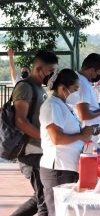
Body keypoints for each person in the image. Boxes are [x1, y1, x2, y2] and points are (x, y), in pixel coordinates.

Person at [39, 69, 96, 216]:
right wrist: (82, 135)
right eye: (75, 89)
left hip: (67, 166)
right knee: (57, 212)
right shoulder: (52, 106)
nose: (77, 94)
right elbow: (56, 138)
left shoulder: (63, 105)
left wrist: (86, 132)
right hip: (58, 168)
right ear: (63, 88)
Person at [11, 50, 58, 216]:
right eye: (51, 71)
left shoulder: (39, 88)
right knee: (45, 203)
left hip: (40, 150)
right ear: (39, 69)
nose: (53, 75)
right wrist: (47, 138)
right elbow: (20, 121)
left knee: (40, 198)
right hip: (31, 152)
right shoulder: (25, 87)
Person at [75, 53, 100, 141]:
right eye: (99, 72)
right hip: (86, 135)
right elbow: (83, 115)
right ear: (91, 70)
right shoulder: (83, 84)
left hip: (88, 133)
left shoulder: (81, 80)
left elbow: (86, 105)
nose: (99, 75)